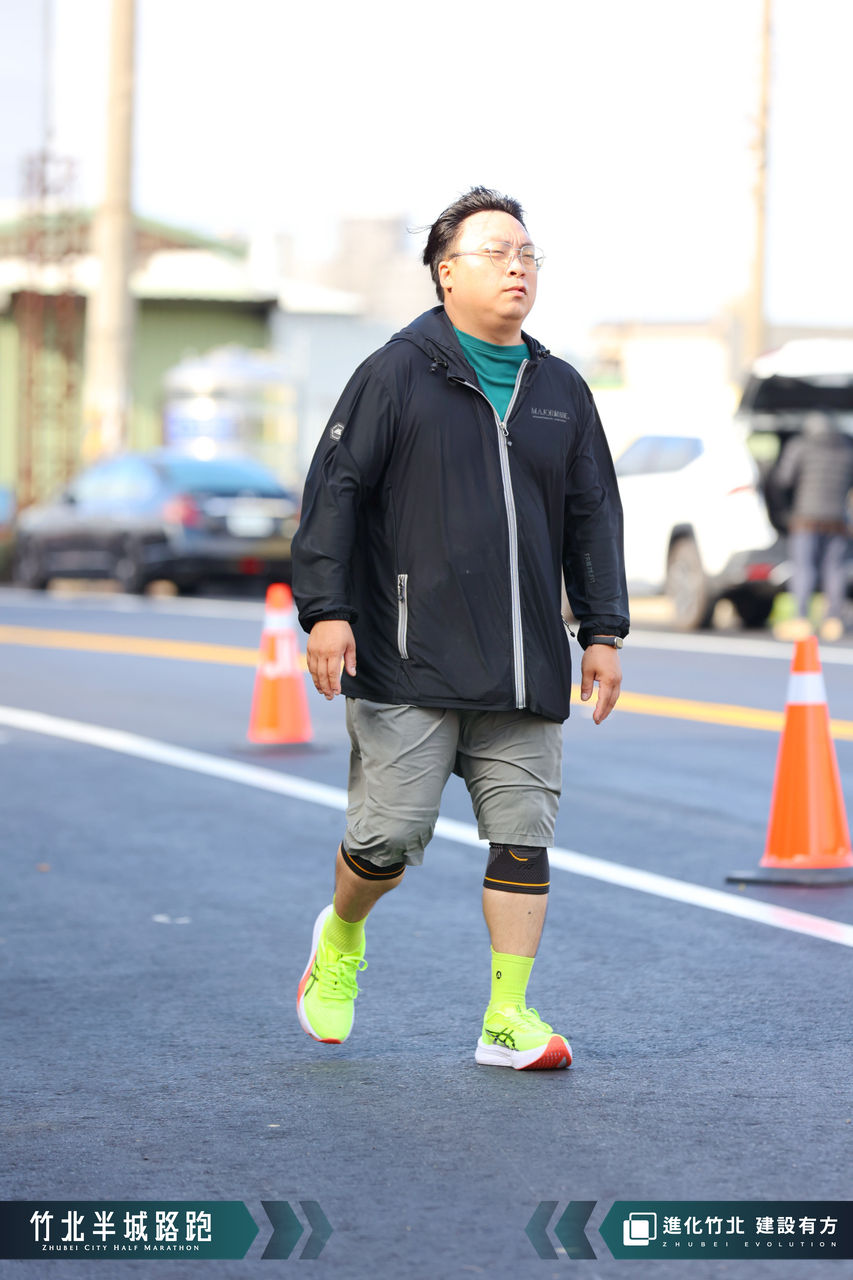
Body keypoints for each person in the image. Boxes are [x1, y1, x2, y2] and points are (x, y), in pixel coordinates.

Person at [291, 187, 628, 1070]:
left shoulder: (560, 389)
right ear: (446, 273)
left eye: (527, 253)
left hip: (522, 663)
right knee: (386, 840)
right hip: (409, 657)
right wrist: (327, 611)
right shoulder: (396, 373)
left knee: (523, 836)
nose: (518, 267)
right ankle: (341, 934)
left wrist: (602, 631)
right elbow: (334, 494)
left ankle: (506, 1018)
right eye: (496, 252)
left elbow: (593, 514)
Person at [773, 411, 853, 643]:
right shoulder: (847, 450)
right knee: (835, 570)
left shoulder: (800, 446)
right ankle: (833, 621)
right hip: (837, 521)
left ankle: (801, 620)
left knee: (804, 568)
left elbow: (783, 479)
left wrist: (784, 511)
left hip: (806, 520)